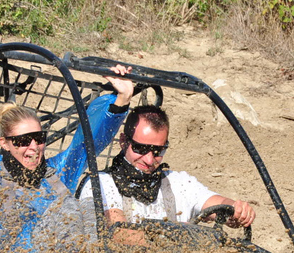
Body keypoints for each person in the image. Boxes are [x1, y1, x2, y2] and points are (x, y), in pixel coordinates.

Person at [0, 65, 134, 253]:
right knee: (65, 208)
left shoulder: (56, 172)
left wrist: (122, 99)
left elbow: (87, 144)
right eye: (23, 141)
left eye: (38, 138)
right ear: (4, 143)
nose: (33, 148)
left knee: (85, 206)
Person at [78, 104, 255, 244]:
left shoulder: (179, 182)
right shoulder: (100, 183)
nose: (149, 159)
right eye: (140, 148)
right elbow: (120, 233)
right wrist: (176, 235)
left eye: (158, 151)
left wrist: (236, 210)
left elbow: (219, 204)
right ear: (124, 142)